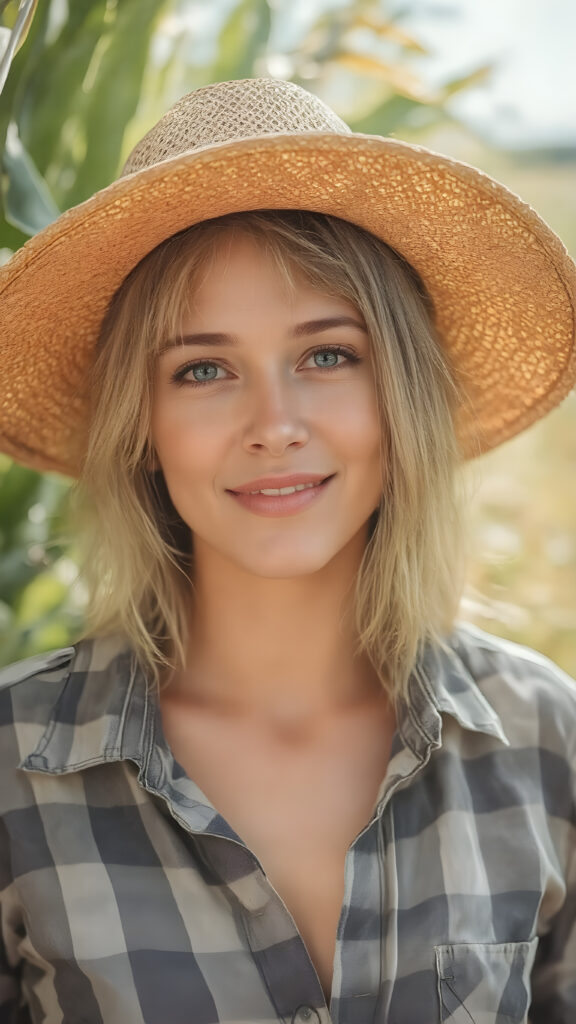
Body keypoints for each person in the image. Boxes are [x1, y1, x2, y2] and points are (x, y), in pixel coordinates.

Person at [0, 77, 574, 1024]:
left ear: (401, 395)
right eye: (204, 369)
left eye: (326, 354)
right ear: (142, 426)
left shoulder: (545, 739)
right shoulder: (15, 765)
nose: (275, 425)